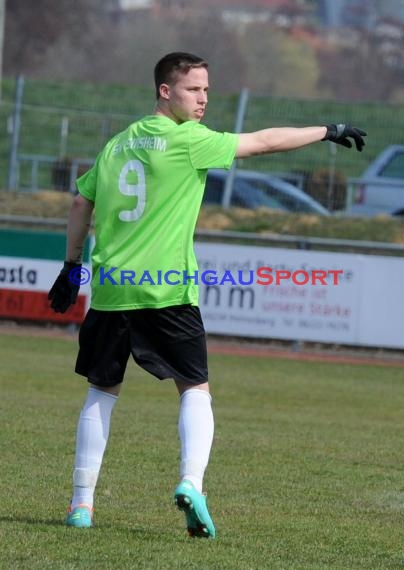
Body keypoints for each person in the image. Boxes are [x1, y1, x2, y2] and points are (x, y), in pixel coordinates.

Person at [48, 51, 367, 538]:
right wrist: (327, 130)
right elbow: (262, 142)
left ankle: (81, 505)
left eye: (207, 91)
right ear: (165, 91)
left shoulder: (117, 144)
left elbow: (79, 201)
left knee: (100, 392)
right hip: (168, 290)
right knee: (194, 390)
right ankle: (191, 483)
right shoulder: (188, 141)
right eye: (194, 89)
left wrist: (71, 268)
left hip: (110, 290)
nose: (203, 100)